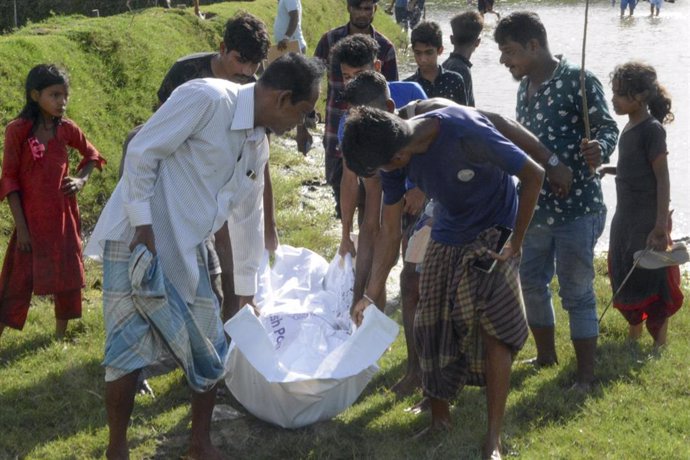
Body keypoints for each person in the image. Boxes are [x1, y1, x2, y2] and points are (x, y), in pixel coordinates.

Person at [85, 54, 324, 460]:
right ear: (283, 99)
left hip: (189, 246)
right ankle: (117, 449)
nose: (297, 126)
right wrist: (143, 225)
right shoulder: (207, 99)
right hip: (135, 238)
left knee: (211, 346)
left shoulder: (255, 142)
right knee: (126, 349)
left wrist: (243, 289)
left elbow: (246, 215)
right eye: (302, 114)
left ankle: (200, 444)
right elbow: (142, 152)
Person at [342, 105, 544, 459]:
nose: (387, 174)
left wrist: (518, 241)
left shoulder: (466, 133)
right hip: (448, 228)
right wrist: (372, 295)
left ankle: (492, 437)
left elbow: (534, 173)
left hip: (496, 228)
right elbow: (391, 231)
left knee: (494, 326)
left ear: (400, 154)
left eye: (387, 167)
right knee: (429, 322)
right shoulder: (392, 153)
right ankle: (439, 419)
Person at [494, 11, 619, 391]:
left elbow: (608, 128)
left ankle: (585, 377)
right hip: (534, 208)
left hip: (577, 208)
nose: (504, 61)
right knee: (531, 282)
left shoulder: (578, 81)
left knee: (577, 291)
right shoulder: (523, 87)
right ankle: (546, 355)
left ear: (535, 45)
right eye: (502, 53)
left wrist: (600, 149)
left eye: (510, 51)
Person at [122, 12, 274, 324]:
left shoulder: (254, 89)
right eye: (240, 60)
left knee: (228, 249)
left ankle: (233, 313)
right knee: (189, 262)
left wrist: (268, 221)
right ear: (222, 48)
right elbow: (156, 135)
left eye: (255, 63)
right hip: (184, 182)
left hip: (224, 184)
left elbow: (257, 160)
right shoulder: (186, 73)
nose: (247, 71)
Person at [0, 64, 105, 342]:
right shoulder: (18, 131)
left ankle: (60, 337)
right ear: (35, 95)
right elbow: (9, 180)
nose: (62, 102)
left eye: (64, 95)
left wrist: (81, 180)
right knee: (16, 280)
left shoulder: (67, 130)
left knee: (68, 277)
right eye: (54, 95)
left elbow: (92, 155)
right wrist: (21, 228)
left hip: (63, 219)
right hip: (30, 221)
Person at [601, 62, 683, 350]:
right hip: (625, 216)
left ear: (641, 97)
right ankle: (633, 338)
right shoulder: (630, 126)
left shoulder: (651, 129)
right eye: (613, 93)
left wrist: (660, 225)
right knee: (626, 271)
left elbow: (662, 178)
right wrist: (608, 169)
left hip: (647, 219)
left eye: (620, 94)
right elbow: (632, 167)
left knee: (653, 277)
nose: (614, 99)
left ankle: (659, 344)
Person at [314, 0, 398, 219]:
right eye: (358, 8)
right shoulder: (329, 41)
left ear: (375, 10)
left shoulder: (385, 48)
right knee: (342, 196)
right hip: (336, 133)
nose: (362, 13)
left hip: (373, 136)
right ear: (349, 8)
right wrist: (305, 121)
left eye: (367, 8)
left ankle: (363, 244)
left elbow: (392, 91)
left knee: (371, 201)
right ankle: (347, 243)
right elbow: (312, 79)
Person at [405, 21, 468, 106]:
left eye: (429, 52)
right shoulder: (408, 86)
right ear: (413, 51)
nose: (423, 59)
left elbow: (465, 115)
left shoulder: (455, 81)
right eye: (418, 53)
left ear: (440, 50)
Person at [442, 10, 484, 107]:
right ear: (477, 42)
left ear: (452, 39)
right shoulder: (462, 70)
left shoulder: (445, 65)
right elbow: (464, 112)